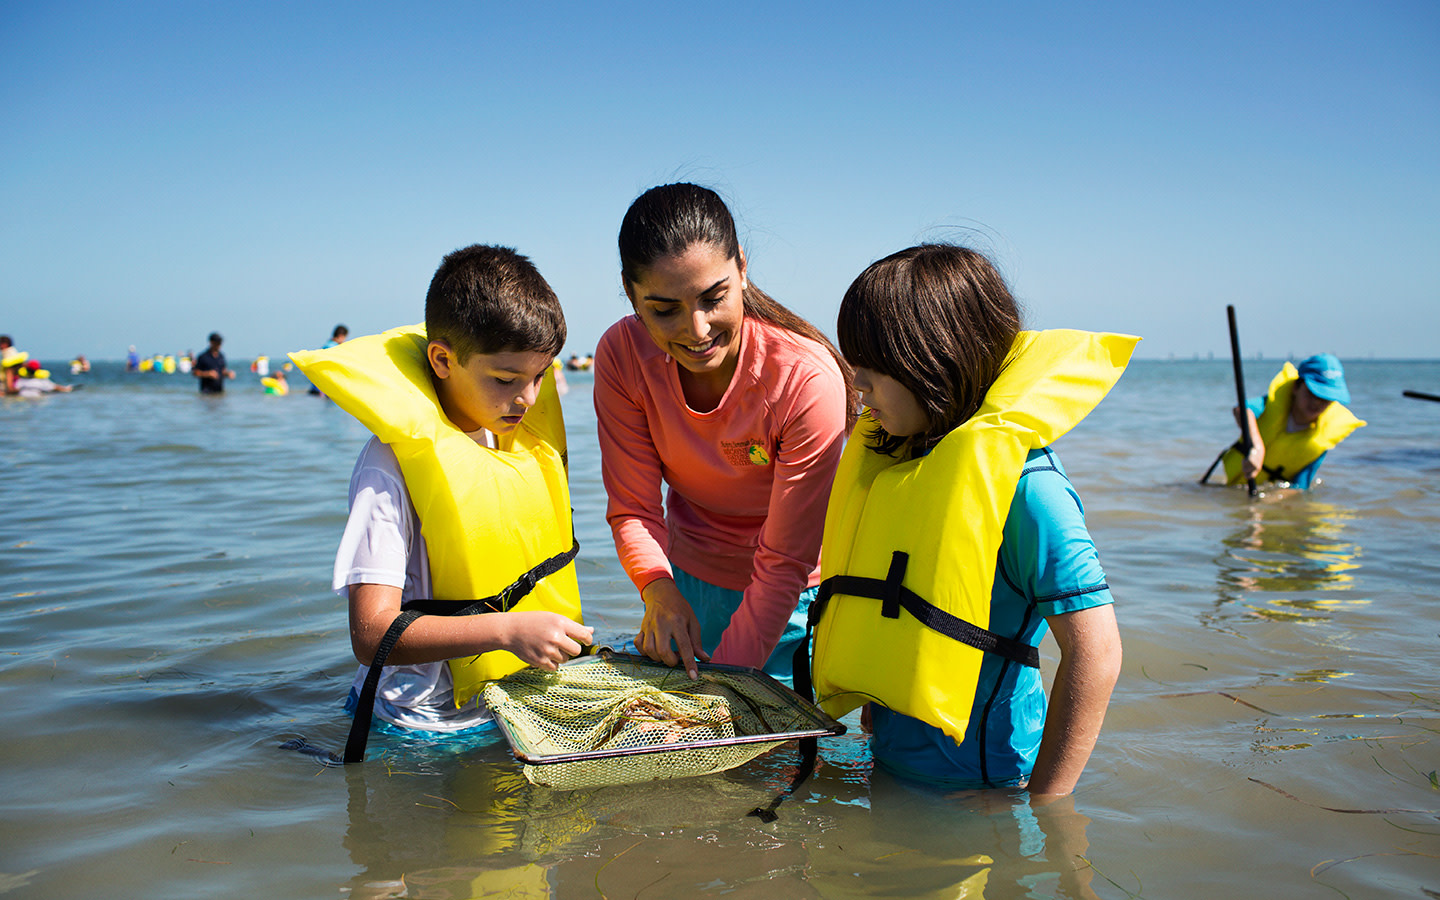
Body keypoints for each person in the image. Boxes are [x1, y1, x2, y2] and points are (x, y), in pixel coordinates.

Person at [805, 244, 1133, 797]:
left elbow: (1096, 653)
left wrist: (1046, 807)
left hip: (989, 788)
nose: (857, 386)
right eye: (853, 365)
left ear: (938, 362)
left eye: (874, 369)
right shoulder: (901, 464)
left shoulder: (1030, 493)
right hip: (888, 766)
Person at [289, 244, 591, 759]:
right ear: (443, 360)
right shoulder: (390, 466)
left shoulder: (512, 438)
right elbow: (370, 634)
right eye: (506, 379)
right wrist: (509, 629)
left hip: (506, 705)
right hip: (418, 728)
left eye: (539, 376)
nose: (527, 399)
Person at [594, 183, 852, 682]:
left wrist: (723, 688)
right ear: (630, 293)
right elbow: (633, 508)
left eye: (714, 298)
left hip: (799, 594)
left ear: (742, 271)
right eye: (663, 309)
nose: (696, 329)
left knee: (778, 750)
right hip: (688, 580)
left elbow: (783, 565)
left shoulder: (803, 378)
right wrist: (658, 590)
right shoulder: (622, 356)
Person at [1212, 353, 1365, 491]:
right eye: (1312, 394)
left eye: (1325, 399)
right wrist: (1257, 447)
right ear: (1296, 387)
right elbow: (1242, 409)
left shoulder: (1322, 439)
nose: (1317, 403)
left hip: (1266, 494)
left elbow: (1299, 487)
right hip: (1233, 485)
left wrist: (1266, 503)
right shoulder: (1273, 403)